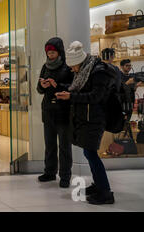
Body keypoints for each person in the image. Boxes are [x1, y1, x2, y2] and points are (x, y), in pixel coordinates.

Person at [56, 41, 115, 205]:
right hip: (88, 118)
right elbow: (79, 88)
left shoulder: (98, 72)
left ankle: (106, 192)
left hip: (96, 119)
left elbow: (95, 97)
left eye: (74, 66)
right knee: (89, 153)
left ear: (80, 62)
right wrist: (62, 88)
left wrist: (71, 97)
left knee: (90, 153)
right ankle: (98, 185)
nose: (72, 70)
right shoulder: (85, 71)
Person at [36, 37, 74, 188]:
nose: (50, 55)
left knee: (65, 145)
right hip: (48, 110)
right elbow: (39, 90)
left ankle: (65, 176)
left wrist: (57, 85)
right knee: (49, 144)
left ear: (59, 52)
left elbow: (73, 86)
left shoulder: (68, 66)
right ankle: (50, 172)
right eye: (48, 52)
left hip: (63, 110)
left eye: (53, 52)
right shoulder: (45, 67)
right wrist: (43, 86)